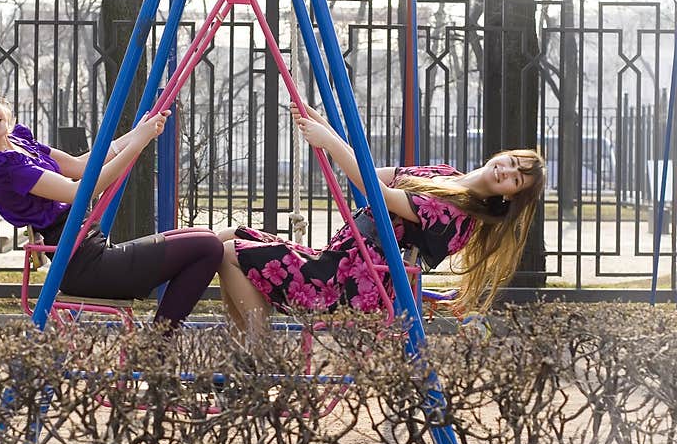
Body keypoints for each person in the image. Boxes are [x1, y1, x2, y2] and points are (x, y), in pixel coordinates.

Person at [0, 58, 223, 329]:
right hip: (87, 269)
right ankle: (161, 344)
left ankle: (161, 339)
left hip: (93, 253)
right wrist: (139, 143)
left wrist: (136, 132)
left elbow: (82, 165)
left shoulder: (19, 142)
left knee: (206, 239)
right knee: (206, 245)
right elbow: (82, 190)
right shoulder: (3, 167)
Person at [217, 103, 546, 335]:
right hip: (334, 261)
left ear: (509, 196)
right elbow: (371, 173)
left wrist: (328, 140)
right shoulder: (444, 174)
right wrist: (319, 124)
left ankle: (255, 359)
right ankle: (241, 351)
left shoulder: (456, 215)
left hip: (348, 285)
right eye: (512, 161)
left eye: (515, 179)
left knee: (231, 254)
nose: (506, 170)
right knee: (227, 237)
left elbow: (377, 193)